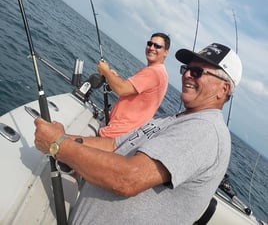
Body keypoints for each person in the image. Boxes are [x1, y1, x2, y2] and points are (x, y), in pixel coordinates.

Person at [34, 42, 242, 225]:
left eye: (197, 71)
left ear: (223, 89)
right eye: (187, 68)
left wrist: (58, 145)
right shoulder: (170, 119)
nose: (187, 74)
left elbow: (128, 179)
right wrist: (61, 135)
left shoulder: (205, 130)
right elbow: (115, 145)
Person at [97, 32, 170, 137]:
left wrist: (106, 71)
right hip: (121, 133)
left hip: (115, 134)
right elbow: (128, 90)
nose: (151, 48)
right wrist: (113, 77)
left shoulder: (154, 73)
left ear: (165, 52)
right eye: (150, 43)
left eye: (157, 46)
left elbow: (122, 89)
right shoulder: (161, 73)